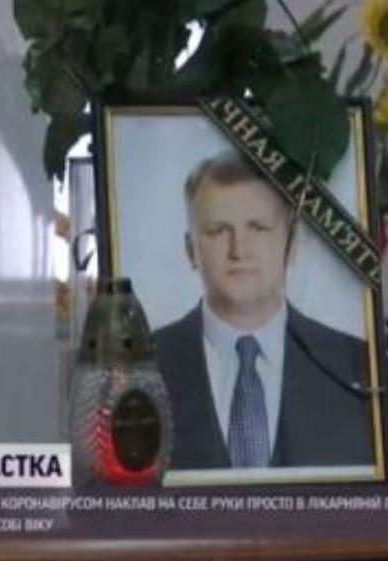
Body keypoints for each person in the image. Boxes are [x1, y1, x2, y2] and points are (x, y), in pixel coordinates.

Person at [153, 151, 374, 471]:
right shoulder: (141, 366)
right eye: (218, 231)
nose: (238, 250)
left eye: (257, 228)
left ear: (291, 243)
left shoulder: (357, 367)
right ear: (191, 251)